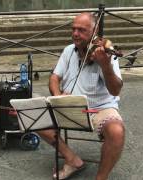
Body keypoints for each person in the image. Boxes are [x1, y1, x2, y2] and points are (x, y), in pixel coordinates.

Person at [38, 12, 125, 180]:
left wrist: (105, 65)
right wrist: (57, 97)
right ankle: (72, 160)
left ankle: (101, 177)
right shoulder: (69, 50)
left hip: (100, 108)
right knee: (36, 118)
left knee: (117, 131)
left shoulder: (105, 54)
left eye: (82, 30)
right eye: (74, 29)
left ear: (94, 32)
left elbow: (115, 90)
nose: (75, 34)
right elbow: (55, 78)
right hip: (70, 104)